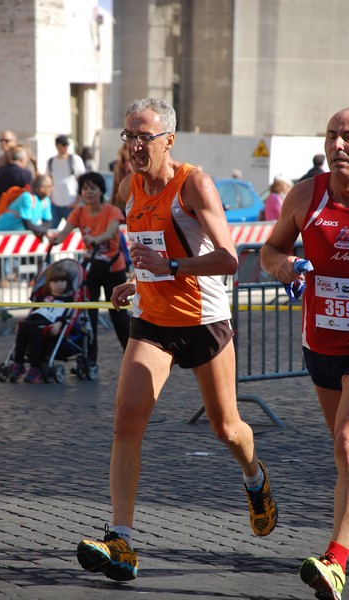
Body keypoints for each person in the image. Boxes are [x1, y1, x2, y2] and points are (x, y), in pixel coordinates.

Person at [75, 98, 278, 582]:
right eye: (128, 136)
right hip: (153, 322)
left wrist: (170, 269)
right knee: (126, 420)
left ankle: (255, 478)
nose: (134, 146)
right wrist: (137, 282)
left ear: (169, 139)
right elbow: (146, 252)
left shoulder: (195, 184)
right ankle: (121, 540)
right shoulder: (128, 187)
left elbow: (230, 259)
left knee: (226, 428)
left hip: (204, 321)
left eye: (144, 136)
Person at [260, 107, 349, 600]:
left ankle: (335, 559)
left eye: (348, 137)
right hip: (320, 344)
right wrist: (285, 266)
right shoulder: (306, 195)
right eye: (333, 136)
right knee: (345, 459)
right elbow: (268, 251)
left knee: (346, 445)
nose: (339, 145)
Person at [49, 171, 130, 365]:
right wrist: (55, 240)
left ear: (101, 190)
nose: (89, 192)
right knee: (88, 316)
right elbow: (64, 232)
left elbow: (111, 232)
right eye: (85, 188)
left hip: (113, 269)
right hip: (91, 270)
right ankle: (89, 359)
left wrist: (95, 239)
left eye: (93, 187)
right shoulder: (78, 212)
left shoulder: (112, 211)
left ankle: (131, 357)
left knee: (118, 317)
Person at [0, 174, 53, 303]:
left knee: (39, 263)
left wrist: (43, 231)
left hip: (18, 236)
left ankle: (37, 300)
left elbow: (47, 222)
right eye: (49, 186)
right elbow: (28, 223)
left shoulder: (46, 200)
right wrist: (43, 232)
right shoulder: (27, 198)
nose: (52, 189)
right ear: (40, 187)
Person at [9, 262, 72, 384]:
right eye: (55, 281)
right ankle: (18, 363)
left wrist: (59, 324)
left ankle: (35, 367)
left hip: (50, 323)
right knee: (24, 325)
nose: (59, 284)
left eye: (62, 281)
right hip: (36, 319)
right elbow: (34, 311)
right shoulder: (42, 297)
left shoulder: (68, 299)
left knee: (35, 329)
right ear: (49, 283)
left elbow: (67, 316)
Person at [46, 135, 86, 228]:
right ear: (57, 146)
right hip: (55, 203)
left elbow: (83, 181)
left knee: (74, 231)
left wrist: (77, 201)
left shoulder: (75, 159)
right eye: (63, 145)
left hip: (71, 203)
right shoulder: (51, 161)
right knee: (51, 231)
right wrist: (50, 198)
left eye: (67, 145)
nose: (65, 147)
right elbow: (48, 180)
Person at [0, 147, 33, 216]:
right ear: (22, 159)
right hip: (18, 212)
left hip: (1, 211)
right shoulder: (26, 174)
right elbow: (28, 193)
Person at [109, 142, 132, 213]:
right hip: (118, 203)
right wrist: (111, 205)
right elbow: (114, 187)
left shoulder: (138, 167)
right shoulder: (118, 167)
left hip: (131, 203)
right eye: (127, 149)